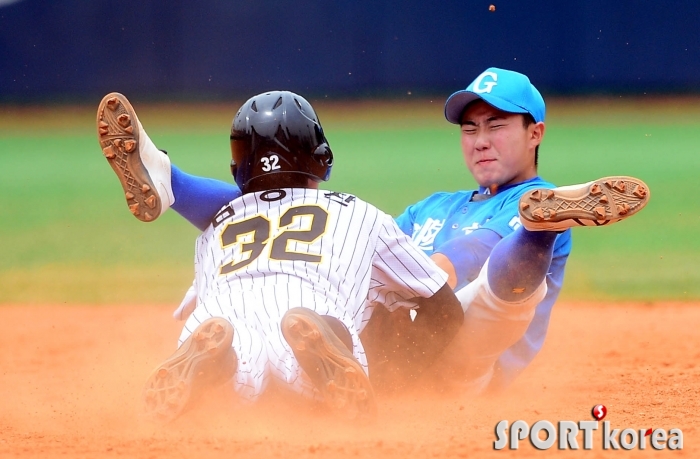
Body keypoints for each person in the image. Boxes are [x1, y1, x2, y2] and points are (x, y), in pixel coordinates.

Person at [96, 67, 650, 397]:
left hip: (462, 366)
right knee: (339, 222)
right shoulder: (435, 204)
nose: (480, 139)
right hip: (394, 351)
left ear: (536, 134)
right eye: (471, 128)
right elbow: (350, 239)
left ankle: (537, 233)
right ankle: (166, 181)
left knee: (483, 296)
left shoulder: (514, 202)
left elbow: (454, 263)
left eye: (498, 126)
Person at [96, 90, 464, 423]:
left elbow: (196, 302)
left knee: (235, 377)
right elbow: (444, 309)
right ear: (322, 157)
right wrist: (396, 376)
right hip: (306, 309)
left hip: (221, 315)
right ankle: (328, 338)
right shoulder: (360, 212)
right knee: (312, 367)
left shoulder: (216, 226)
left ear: (238, 170)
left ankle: (217, 362)